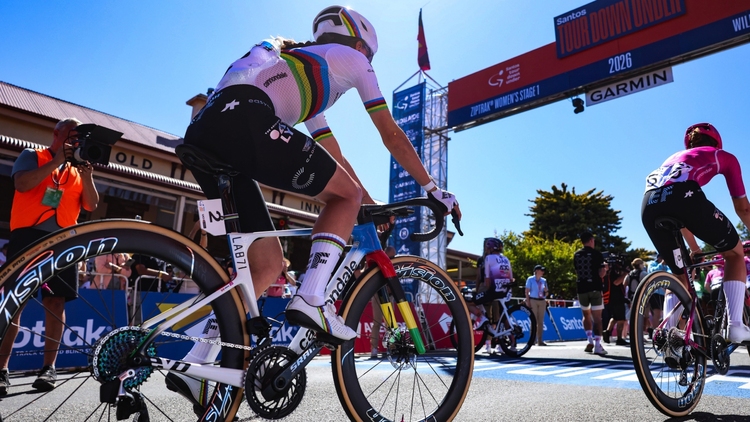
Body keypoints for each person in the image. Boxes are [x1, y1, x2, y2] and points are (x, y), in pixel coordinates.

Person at [171, 6, 460, 412]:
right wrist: (433, 189)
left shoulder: (303, 66)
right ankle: (311, 297)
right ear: (361, 45)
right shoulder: (353, 60)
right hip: (246, 118)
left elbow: (331, 154)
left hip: (208, 129)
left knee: (267, 264)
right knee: (344, 197)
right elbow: (391, 134)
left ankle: (195, 361)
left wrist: (366, 201)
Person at [0, 118, 99, 395]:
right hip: (27, 238)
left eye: (78, 137)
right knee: (15, 303)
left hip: (64, 242)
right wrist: (56, 162)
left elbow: (91, 205)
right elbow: (22, 184)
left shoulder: (78, 169)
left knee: (56, 303)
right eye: (71, 135)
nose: (75, 141)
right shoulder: (33, 155)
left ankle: (48, 368)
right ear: (56, 133)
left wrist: (88, 176)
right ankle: (1, 369)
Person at [641, 122, 750, 343]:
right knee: (734, 253)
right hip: (683, 197)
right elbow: (743, 209)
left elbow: (676, 214)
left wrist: (695, 249)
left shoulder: (672, 159)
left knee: (680, 274)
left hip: (648, 205)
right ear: (717, 143)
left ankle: (669, 336)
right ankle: (736, 327)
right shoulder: (722, 156)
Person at [467, 238, 513, 354]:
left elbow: (486, 278)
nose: (486, 248)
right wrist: (478, 290)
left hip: (491, 288)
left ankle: (499, 343)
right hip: (495, 288)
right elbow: (479, 276)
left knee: (496, 316)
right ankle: (488, 344)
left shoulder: (489, 258)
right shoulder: (483, 259)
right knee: (489, 314)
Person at [573, 231, 608, 355]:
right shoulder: (597, 254)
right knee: (597, 318)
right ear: (591, 240)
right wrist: (605, 269)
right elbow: (601, 274)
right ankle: (598, 345)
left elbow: (577, 271)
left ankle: (589, 340)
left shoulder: (576, 254)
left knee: (586, 315)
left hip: (581, 288)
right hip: (595, 288)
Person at [602, 262, 628, 346]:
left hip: (612, 299)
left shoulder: (608, 273)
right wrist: (625, 274)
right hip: (616, 299)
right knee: (621, 319)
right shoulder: (612, 273)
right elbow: (616, 282)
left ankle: (607, 332)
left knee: (615, 318)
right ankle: (619, 338)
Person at [524, 265, 548, 346]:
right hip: (533, 300)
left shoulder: (544, 280)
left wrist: (546, 291)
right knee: (533, 320)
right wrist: (528, 302)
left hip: (542, 301)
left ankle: (540, 340)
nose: (543, 272)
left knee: (541, 321)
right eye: (541, 270)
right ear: (536, 271)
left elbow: (547, 293)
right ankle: (532, 340)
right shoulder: (530, 279)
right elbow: (527, 291)